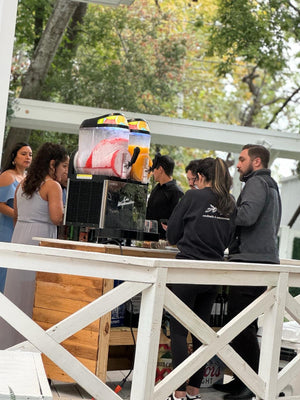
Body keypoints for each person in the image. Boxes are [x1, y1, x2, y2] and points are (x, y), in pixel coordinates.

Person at [213, 144, 282, 400]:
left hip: (252, 262)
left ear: (256, 162)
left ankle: (252, 385)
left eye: (242, 160)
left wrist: (224, 206)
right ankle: (244, 380)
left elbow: (247, 216)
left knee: (240, 324)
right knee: (245, 323)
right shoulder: (270, 185)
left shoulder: (255, 183)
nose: (238, 164)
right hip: (261, 260)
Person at [166, 157, 236, 400]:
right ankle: (194, 391)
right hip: (213, 274)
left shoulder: (192, 197)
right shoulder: (230, 203)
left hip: (187, 271)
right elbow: (229, 240)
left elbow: (172, 235)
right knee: (201, 334)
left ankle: (178, 392)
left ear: (201, 176)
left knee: (177, 332)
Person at [0, 142, 69, 349]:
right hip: (40, 239)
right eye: (64, 166)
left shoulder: (23, 184)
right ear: (52, 164)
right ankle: (29, 346)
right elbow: (56, 218)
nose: (66, 171)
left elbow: (17, 216)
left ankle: (8, 344)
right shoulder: (52, 186)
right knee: (34, 295)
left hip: (20, 238)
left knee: (15, 295)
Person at [0, 142, 32, 292]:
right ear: (14, 157)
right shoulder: (7, 176)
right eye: (23, 154)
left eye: (30, 154)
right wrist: (19, 216)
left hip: (20, 229)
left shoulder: (28, 178)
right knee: (4, 270)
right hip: (6, 229)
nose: (27, 157)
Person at [146, 153, 184, 239]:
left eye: (154, 169)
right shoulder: (157, 188)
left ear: (160, 169)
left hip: (165, 241)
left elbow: (177, 221)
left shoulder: (177, 192)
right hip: (149, 237)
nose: (152, 173)